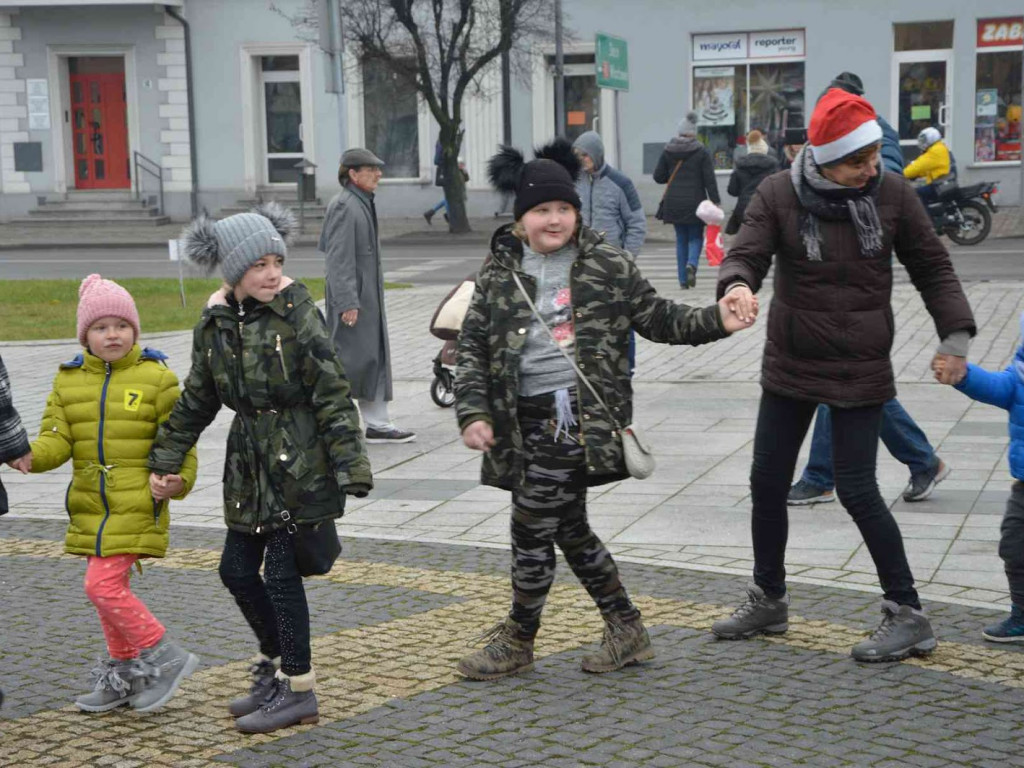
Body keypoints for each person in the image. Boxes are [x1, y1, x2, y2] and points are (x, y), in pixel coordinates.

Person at [454, 138, 755, 681]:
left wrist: (719, 319)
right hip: (518, 420)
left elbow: (661, 318)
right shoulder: (499, 269)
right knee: (569, 529)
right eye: (542, 210)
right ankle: (627, 628)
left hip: (573, 421)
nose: (555, 219)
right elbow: (472, 346)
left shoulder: (607, 263)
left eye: (564, 208)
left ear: (577, 211)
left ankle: (519, 639)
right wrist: (472, 413)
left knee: (530, 528)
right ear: (521, 218)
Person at [712, 87, 976, 663]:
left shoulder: (894, 194)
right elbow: (748, 251)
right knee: (767, 482)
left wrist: (954, 339)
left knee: (857, 490)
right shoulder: (778, 192)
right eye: (858, 161)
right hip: (791, 360)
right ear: (823, 156)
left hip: (860, 365)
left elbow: (933, 265)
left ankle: (908, 615)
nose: (871, 169)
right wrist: (736, 286)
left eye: (875, 157)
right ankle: (770, 597)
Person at [150, 203, 372, 733]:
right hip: (248, 465)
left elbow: (332, 391)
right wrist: (165, 458)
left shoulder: (298, 313)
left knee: (280, 576)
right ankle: (277, 667)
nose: (272, 273)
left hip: (298, 465)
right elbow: (198, 399)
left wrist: (351, 463)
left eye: (277, 260)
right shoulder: (216, 324)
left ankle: (299, 689)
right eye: (259, 265)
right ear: (233, 273)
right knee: (234, 570)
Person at [25, 274, 199, 714]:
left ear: (135, 330)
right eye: (100, 327)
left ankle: (165, 655)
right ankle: (123, 676)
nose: (112, 335)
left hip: (138, 500)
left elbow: (179, 440)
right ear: (86, 335)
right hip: (90, 505)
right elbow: (56, 439)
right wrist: (26, 455)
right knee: (108, 594)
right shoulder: (68, 381)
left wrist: (176, 479)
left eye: (120, 325)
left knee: (100, 585)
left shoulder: (158, 378)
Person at [790, 73, 949, 507]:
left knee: (851, 385)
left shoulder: (876, 140)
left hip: (861, 284)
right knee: (844, 385)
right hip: (834, 282)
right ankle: (837, 473)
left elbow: (885, 192)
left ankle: (832, 474)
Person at [937, 313, 1024, 642]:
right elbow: (1000, 388)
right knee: (1014, 546)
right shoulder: (1021, 368)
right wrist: (963, 375)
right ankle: (1022, 615)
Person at [320, 147, 415, 443]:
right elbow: (338, 259)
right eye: (371, 169)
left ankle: (377, 424)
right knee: (351, 361)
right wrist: (347, 301)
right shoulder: (345, 206)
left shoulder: (359, 202)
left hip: (364, 299)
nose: (378, 174)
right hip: (355, 301)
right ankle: (335, 422)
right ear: (352, 173)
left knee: (369, 358)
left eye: (377, 168)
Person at [572, 129, 648, 375]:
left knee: (622, 313)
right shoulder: (573, 182)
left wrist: (626, 257)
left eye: (585, 155)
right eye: (578, 155)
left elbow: (636, 222)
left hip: (613, 263)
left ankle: (627, 365)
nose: (582, 160)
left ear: (596, 154)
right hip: (580, 262)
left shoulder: (620, 183)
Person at [653, 111, 720, 289]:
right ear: (693, 132)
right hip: (695, 203)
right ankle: (692, 264)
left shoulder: (668, 150)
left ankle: (683, 280)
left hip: (673, 202)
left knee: (681, 238)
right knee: (695, 236)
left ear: (679, 132)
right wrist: (715, 201)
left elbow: (658, 177)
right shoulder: (701, 151)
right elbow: (709, 179)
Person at [725, 129, 779, 236]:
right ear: (764, 150)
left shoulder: (740, 166)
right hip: (765, 208)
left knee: (745, 242)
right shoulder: (772, 167)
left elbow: (732, 191)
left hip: (743, 209)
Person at [904, 126, 955, 206]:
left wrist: (903, 173)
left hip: (939, 185)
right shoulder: (939, 147)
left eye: (924, 140)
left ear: (931, 139)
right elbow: (929, 167)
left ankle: (923, 217)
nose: (922, 143)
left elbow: (919, 165)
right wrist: (919, 175)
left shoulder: (934, 151)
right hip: (942, 182)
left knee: (915, 194)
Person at [424, 140, 469, 225]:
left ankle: (432, 212)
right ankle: (448, 215)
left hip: (446, 172)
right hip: (446, 173)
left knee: (448, 198)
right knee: (449, 198)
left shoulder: (441, 144)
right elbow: (440, 159)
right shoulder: (443, 144)